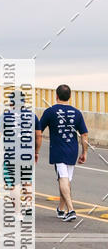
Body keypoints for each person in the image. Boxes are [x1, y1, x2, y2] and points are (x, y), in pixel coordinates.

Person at [39, 84, 88, 221]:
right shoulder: (77, 113)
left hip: (58, 150)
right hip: (72, 150)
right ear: (70, 96)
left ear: (56, 96)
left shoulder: (50, 111)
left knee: (63, 179)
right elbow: (84, 134)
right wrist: (84, 152)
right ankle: (61, 209)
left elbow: (38, 131)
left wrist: (34, 148)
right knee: (66, 180)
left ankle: (71, 210)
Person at [0, 93, 42, 217]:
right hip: (27, 154)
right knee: (27, 181)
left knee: (13, 185)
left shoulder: (5, 116)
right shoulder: (32, 116)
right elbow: (39, 135)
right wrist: (36, 152)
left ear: (11, 102)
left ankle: (18, 213)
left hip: (11, 155)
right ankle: (28, 206)